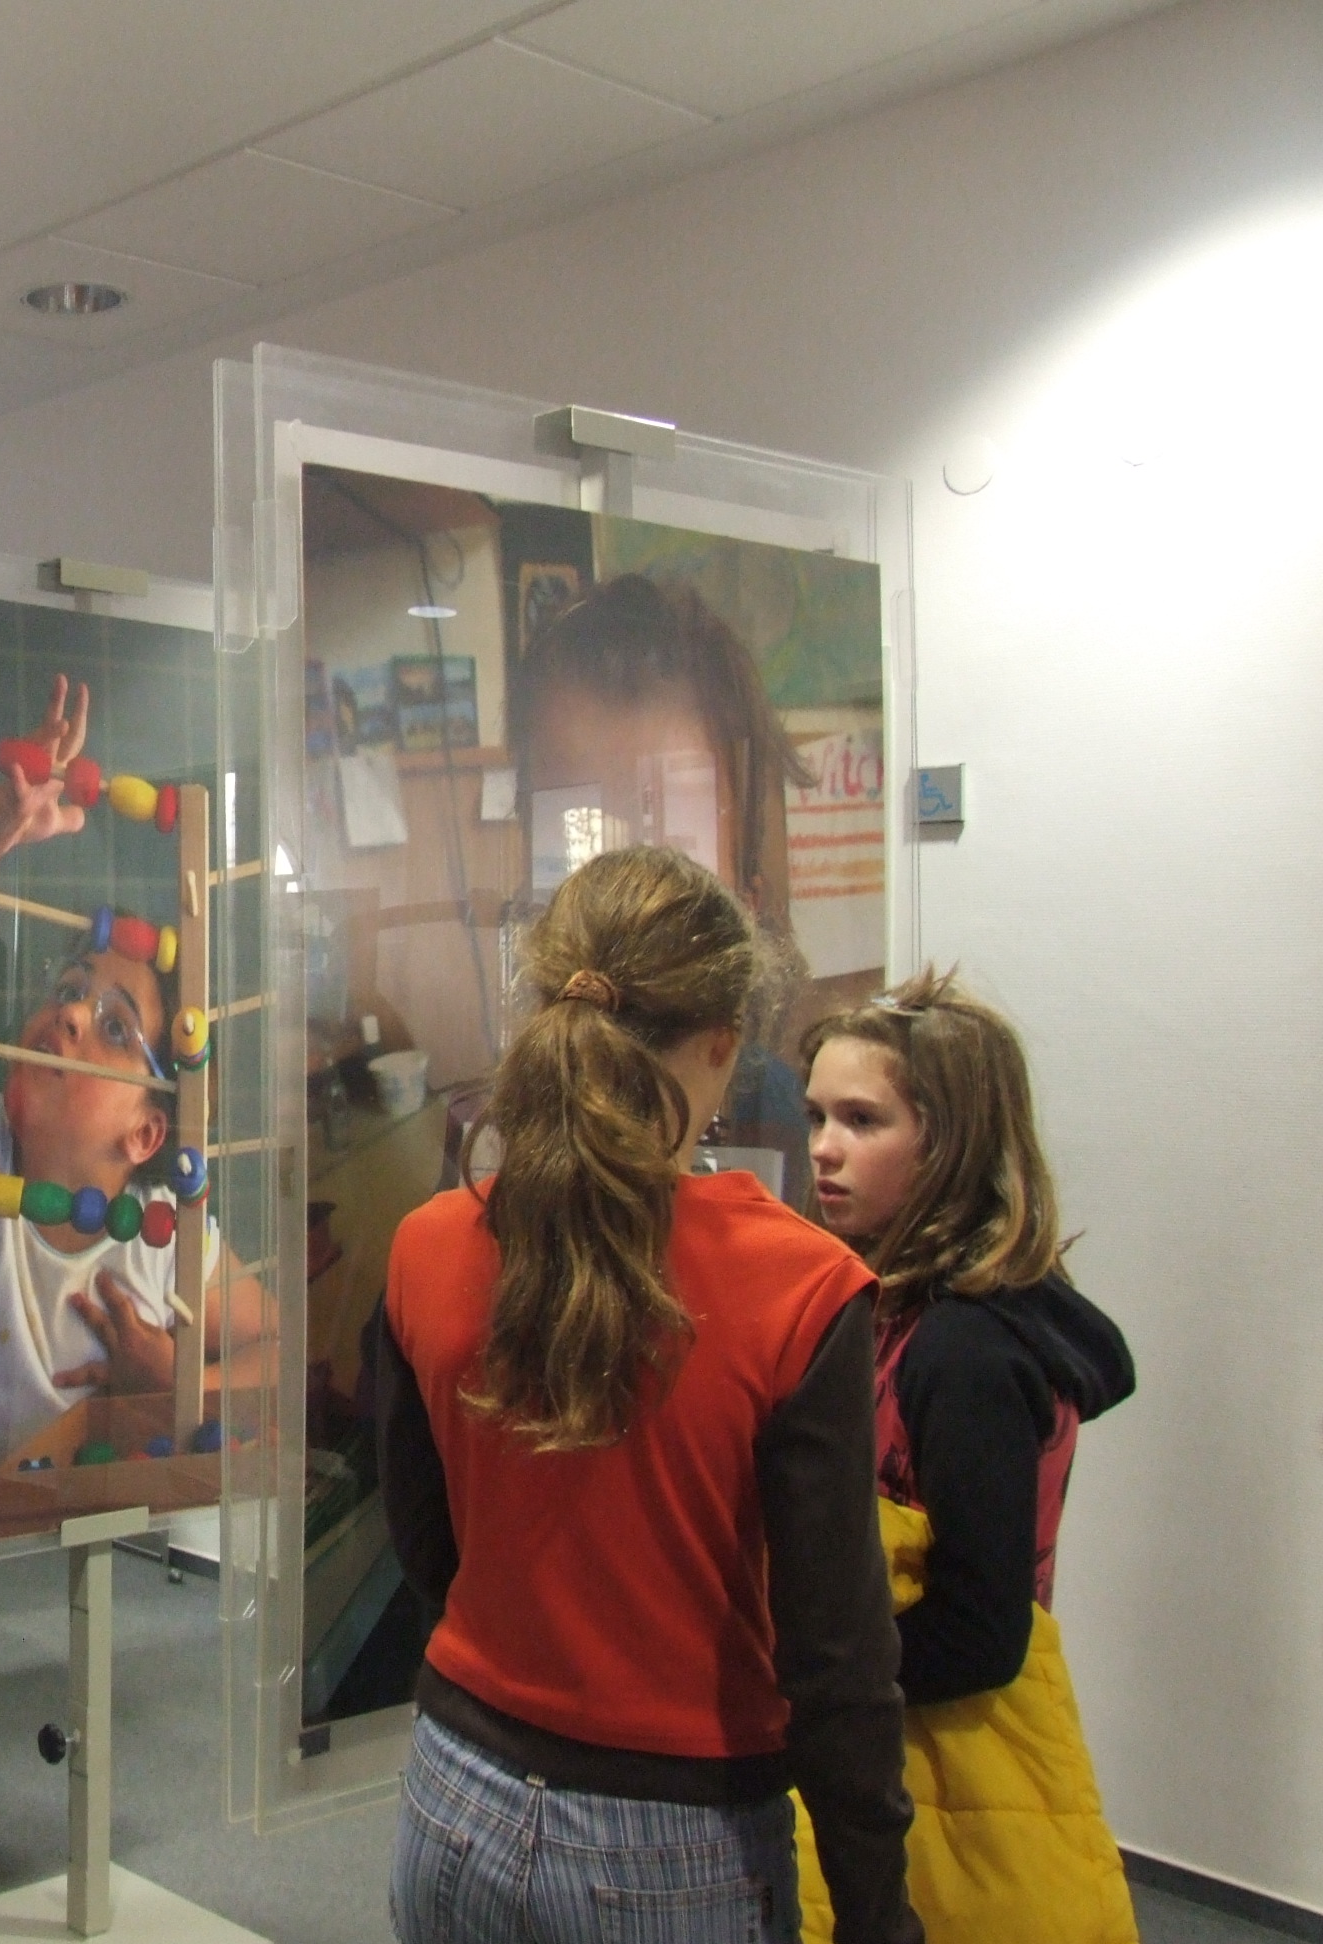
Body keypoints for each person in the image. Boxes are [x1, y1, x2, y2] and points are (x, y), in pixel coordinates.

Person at [378, 846, 920, 1944]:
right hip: (674, 1845)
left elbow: (427, 1545)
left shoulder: (426, 1245)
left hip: (451, 1799)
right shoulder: (801, 1288)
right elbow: (836, 1662)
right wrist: (876, 1915)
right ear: (722, 1042)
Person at [796, 970, 1139, 1943]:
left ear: (950, 1141)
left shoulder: (966, 1348)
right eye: (817, 1114)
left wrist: (803, 1676)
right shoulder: (891, 1305)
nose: (824, 1147)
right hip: (894, 1736)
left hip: (951, 1760)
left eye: (863, 1120)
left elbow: (983, 1629)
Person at [0, 674, 262, 1496]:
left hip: (82, 1546)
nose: (72, 1013)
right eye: (69, 989)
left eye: (115, 1028)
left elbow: (277, 1349)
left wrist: (180, 1379)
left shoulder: (169, 1237)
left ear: (146, 1133)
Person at [514, 572, 820, 1200]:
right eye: (584, 828)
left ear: (749, 896)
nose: (625, 904)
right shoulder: (503, 1120)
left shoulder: (783, 1117)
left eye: (678, 849)